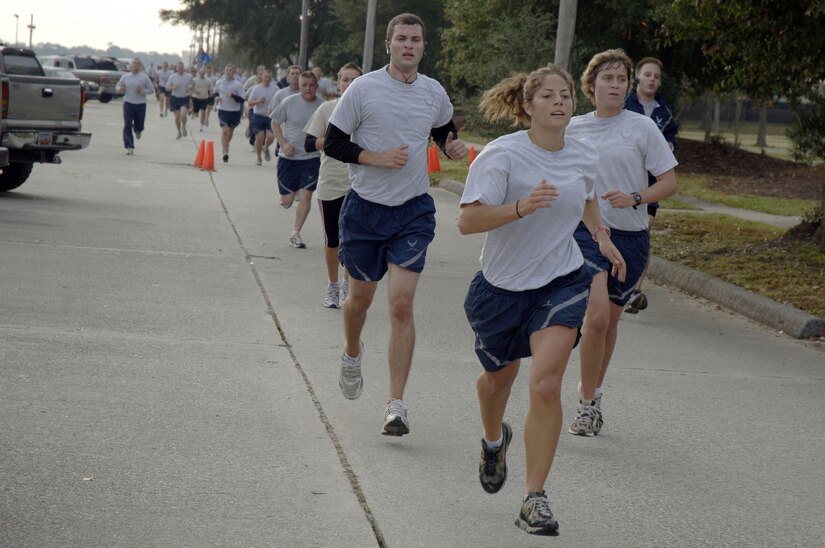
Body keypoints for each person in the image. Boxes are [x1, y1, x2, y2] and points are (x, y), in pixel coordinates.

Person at [458, 65, 626, 537]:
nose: (559, 101)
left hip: (561, 280)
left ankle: (534, 498)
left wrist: (601, 236)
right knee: (497, 380)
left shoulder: (583, 153)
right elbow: (468, 222)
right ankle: (494, 441)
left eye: (566, 95)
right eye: (548, 95)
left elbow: (587, 197)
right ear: (527, 105)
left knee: (546, 384)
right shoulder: (501, 155)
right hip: (501, 289)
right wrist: (521, 207)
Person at [324, 13, 467, 436]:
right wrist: (375, 157)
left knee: (401, 304)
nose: (409, 45)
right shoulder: (364, 88)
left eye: (416, 39)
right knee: (360, 301)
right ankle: (352, 351)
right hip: (365, 209)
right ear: (389, 44)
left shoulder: (433, 91)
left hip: (413, 211)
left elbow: (442, 128)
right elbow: (333, 142)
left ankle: (396, 405)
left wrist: (451, 145)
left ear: (424, 47)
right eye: (401, 38)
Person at [565, 49, 677, 436]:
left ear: (629, 86)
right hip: (586, 233)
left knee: (608, 323)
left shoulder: (642, 127)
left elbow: (669, 182)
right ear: (591, 84)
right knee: (595, 317)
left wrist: (634, 198)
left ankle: (592, 392)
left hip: (630, 236)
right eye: (607, 79)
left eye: (621, 80)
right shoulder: (574, 127)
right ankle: (586, 406)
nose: (614, 86)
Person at [304, 62, 363, 308]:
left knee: (353, 239)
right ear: (338, 83)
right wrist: (333, 141)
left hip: (360, 185)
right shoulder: (328, 109)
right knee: (332, 240)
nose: (349, 84)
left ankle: (348, 282)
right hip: (330, 183)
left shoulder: (368, 110)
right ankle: (333, 284)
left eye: (354, 80)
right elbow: (308, 143)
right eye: (345, 80)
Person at [623, 57, 679, 314]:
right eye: (648, 74)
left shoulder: (663, 112)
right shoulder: (625, 103)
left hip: (649, 185)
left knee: (643, 234)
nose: (652, 79)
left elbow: (670, 134)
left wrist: (670, 145)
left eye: (656, 76)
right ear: (637, 77)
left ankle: (634, 290)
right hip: (621, 180)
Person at [270, 71, 323, 248]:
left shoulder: (322, 106)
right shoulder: (289, 102)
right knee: (287, 201)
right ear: (299, 86)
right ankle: (293, 193)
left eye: (311, 85)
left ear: (316, 85)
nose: (308, 88)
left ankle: (296, 233)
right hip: (288, 158)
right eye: (304, 85)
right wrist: (283, 143)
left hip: (311, 158)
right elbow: (275, 122)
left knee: (307, 194)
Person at [115, 57, 155, 155]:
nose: (136, 65)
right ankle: (129, 146)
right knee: (127, 125)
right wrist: (120, 89)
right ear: (131, 65)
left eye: (138, 63)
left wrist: (142, 90)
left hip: (140, 105)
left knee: (139, 125)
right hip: (128, 103)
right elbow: (117, 86)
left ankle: (138, 130)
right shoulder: (125, 77)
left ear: (140, 66)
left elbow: (151, 90)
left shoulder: (144, 77)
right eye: (134, 63)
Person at [214, 64, 246, 163]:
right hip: (223, 109)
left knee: (230, 131)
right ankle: (224, 151)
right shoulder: (219, 82)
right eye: (226, 70)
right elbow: (215, 92)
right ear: (224, 71)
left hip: (234, 111)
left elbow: (242, 99)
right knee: (225, 131)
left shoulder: (237, 85)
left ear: (233, 72)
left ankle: (226, 144)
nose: (228, 72)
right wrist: (216, 98)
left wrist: (232, 95)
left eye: (230, 70)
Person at [246, 70, 278, 165]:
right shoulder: (256, 88)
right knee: (259, 138)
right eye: (266, 77)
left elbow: (280, 102)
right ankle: (259, 157)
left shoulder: (276, 89)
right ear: (262, 77)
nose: (267, 79)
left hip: (270, 116)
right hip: (258, 115)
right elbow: (250, 102)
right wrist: (258, 101)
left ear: (271, 78)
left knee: (271, 137)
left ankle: (266, 147)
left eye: (269, 77)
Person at [166, 62, 194, 139]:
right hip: (175, 98)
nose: (180, 69)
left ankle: (184, 125)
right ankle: (179, 131)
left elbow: (193, 86)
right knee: (177, 117)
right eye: (179, 67)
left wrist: (190, 90)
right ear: (176, 68)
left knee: (183, 115)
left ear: (184, 68)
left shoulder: (189, 76)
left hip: (185, 98)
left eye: (181, 67)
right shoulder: (172, 77)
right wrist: (172, 87)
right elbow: (167, 87)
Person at [191, 68, 214, 132]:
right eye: (201, 73)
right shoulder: (194, 79)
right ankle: (195, 113)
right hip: (196, 97)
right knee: (196, 113)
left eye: (203, 73)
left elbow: (211, 88)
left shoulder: (208, 80)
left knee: (203, 112)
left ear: (205, 73)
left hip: (204, 98)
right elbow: (191, 88)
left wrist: (211, 93)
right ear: (199, 73)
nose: (202, 74)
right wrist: (195, 91)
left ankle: (201, 127)